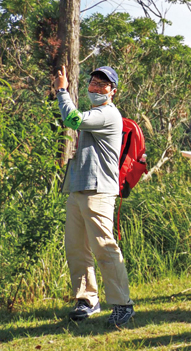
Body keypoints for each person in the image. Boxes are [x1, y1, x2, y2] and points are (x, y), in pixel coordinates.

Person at [53, 65, 136, 326]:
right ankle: (87, 299)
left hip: (99, 189)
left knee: (104, 248)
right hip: (78, 187)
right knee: (76, 249)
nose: (96, 87)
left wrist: (62, 91)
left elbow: (72, 120)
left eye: (103, 84)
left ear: (113, 92)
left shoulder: (109, 114)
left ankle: (123, 304)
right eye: (93, 82)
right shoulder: (95, 112)